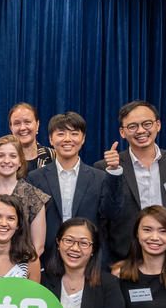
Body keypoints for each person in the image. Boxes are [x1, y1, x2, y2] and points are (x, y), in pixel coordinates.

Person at [94, 100, 166, 262]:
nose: (141, 131)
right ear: (122, 132)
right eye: (132, 126)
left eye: (147, 124)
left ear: (158, 125)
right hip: (124, 257)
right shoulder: (105, 166)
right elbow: (105, 216)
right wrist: (113, 172)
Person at [26, 112, 124, 264]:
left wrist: (114, 172)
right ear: (51, 139)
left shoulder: (99, 177)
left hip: (88, 261)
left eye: (74, 134)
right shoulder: (35, 177)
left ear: (83, 138)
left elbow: (111, 213)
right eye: (61, 134)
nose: (67, 139)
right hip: (47, 260)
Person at [0, 134, 50, 255]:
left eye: (13, 156)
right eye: (0, 155)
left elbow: (38, 246)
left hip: (20, 269)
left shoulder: (35, 196)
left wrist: (17, 270)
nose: (6, 161)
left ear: (20, 162)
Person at [8, 102, 55, 169]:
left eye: (27, 122)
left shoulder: (53, 156)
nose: (22, 128)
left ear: (37, 125)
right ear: (11, 128)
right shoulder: (4, 159)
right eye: (17, 123)